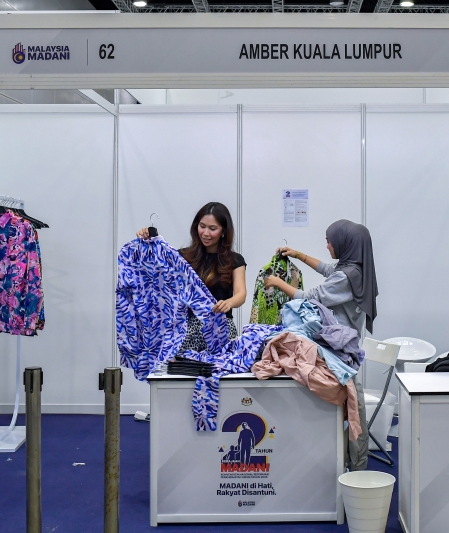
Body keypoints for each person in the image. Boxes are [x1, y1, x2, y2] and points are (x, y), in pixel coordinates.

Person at [264, 219, 379, 471]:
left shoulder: (347, 277)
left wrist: (277, 283)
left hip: (340, 354)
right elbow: (329, 269)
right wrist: (298, 255)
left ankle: (357, 471)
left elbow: (311, 297)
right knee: (352, 409)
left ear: (345, 244)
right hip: (343, 349)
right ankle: (348, 462)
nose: (327, 245)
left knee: (354, 411)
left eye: (330, 241)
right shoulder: (355, 267)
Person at [138, 202, 246, 349]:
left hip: (220, 330)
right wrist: (148, 243)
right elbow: (155, 275)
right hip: (185, 330)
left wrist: (228, 303)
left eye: (212, 228)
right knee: (182, 371)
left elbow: (241, 294)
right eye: (202, 226)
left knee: (220, 369)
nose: (206, 233)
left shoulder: (235, 260)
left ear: (223, 231)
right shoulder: (182, 256)